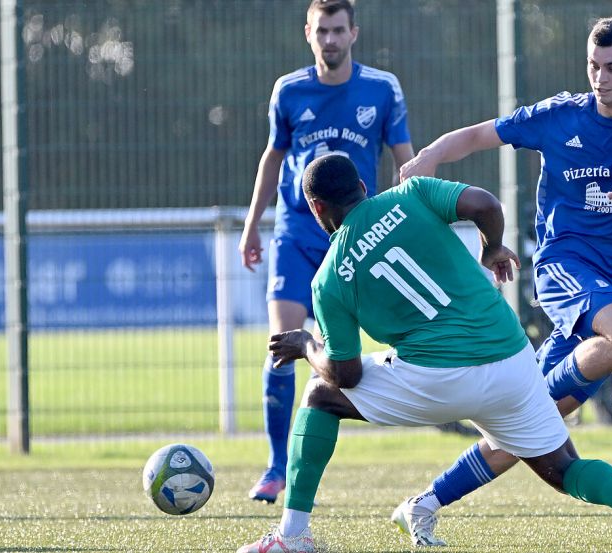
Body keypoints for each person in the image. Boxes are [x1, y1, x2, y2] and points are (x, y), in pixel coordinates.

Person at [236, 154, 612, 553]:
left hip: (436, 380)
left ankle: (292, 536)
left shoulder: (329, 277)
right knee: (564, 468)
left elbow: (345, 374)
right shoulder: (414, 193)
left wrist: (306, 345)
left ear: (317, 209)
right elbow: (484, 203)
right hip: (512, 360)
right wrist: (492, 248)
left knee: (320, 395)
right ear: (362, 185)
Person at [394, 16, 612, 545]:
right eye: (594, 66)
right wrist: (430, 156)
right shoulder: (560, 115)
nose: (601, 78)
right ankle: (531, 410)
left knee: (526, 435)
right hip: (563, 266)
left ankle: (423, 503)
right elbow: (481, 134)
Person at [238, 0, 414, 503]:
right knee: (281, 346)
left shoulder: (382, 89)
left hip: (356, 238)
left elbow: (406, 161)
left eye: (339, 30)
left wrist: (406, 221)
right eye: (322, 31)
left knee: (348, 355)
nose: (330, 40)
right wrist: (253, 226)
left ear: (353, 33)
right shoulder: (289, 91)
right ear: (308, 34)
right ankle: (276, 467)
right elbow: (272, 158)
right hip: (295, 233)